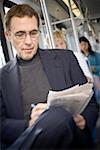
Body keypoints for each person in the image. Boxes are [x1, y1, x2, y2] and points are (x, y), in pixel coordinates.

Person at [0, 4, 99, 149]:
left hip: (71, 137)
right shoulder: (2, 77)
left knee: (58, 115)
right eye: (20, 34)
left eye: (33, 33)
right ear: (8, 35)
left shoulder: (66, 59)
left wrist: (83, 120)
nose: (28, 41)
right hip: (30, 138)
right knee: (54, 116)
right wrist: (30, 124)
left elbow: (91, 104)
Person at [79, 36, 100, 103]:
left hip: (96, 76)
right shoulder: (79, 57)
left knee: (96, 80)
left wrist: (95, 68)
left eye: (85, 44)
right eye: (81, 45)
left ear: (88, 44)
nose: (83, 46)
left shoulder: (96, 55)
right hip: (85, 78)